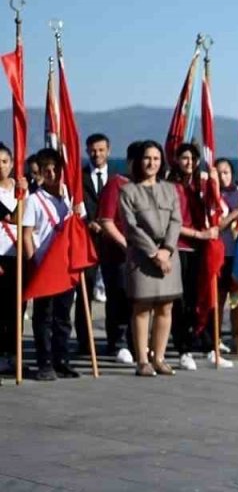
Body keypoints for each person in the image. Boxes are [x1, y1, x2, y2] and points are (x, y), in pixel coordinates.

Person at [119, 141, 184, 377]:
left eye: (156, 158)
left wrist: (167, 249)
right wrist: (154, 253)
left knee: (166, 307)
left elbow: (177, 221)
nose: (152, 163)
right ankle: (143, 360)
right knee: (142, 307)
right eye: (147, 158)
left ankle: (160, 357)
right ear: (139, 161)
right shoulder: (128, 191)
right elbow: (131, 226)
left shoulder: (170, 189)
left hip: (169, 255)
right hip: (142, 257)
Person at [22, 149, 80, 381]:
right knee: (43, 316)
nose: (51, 171)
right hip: (44, 264)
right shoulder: (34, 200)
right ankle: (44, 362)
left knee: (63, 316)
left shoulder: (69, 198)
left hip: (66, 265)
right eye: (46, 167)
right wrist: (33, 262)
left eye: (55, 167)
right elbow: (27, 234)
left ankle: (61, 360)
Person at [169, 143, 219, 370]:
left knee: (205, 298)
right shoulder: (171, 187)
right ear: (177, 160)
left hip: (202, 249)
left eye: (193, 158)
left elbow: (217, 213)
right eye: (184, 158)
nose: (189, 162)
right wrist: (198, 234)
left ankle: (209, 346)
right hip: (180, 248)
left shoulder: (204, 185)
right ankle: (183, 348)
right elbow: (172, 222)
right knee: (182, 302)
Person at [95, 141, 143, 365]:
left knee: (139, 299)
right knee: (119, 297)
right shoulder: (116, 183)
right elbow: (106, 221)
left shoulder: (146, 186)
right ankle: (118, 342)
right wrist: (127, 246)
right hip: (117, 254)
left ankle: (138, 342)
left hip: (143, 254)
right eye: (142, 160)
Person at [212, 158, 238, 360]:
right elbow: (218, 225)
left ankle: (237, 337)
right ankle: (216, 338)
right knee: (219, 298)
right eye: (218, 172)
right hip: (220, 253)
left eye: (226, 172)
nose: (222, 176)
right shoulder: (213, 194)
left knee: (237, 298)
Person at [0, 144, 25, 379]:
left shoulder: (19, 191)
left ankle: (13, 355)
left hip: (17, 256)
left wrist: (24, 193)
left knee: (16, 309)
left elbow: (20, 219)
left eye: (5, 161)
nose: (1, 166)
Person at [82, 133, 110, 306]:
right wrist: (87, 223)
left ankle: (115, 333)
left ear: (108, 150)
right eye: (93, 151)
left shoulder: (118, 177)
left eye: (101, 150)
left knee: (114, 292)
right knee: (85, 290)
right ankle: (84, 333)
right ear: (87, 151)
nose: (97, 154)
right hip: (87, 241)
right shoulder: (78, 177)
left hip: (111, 242)